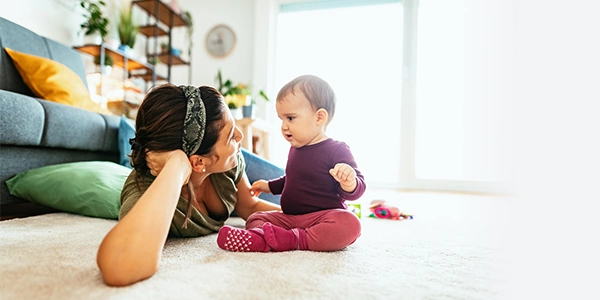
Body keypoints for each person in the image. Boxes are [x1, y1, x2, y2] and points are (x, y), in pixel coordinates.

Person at [96, 83, 284, 286]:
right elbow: (119, 267)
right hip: (190, 167)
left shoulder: (230, 161)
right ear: (197, 162)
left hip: (221, 163)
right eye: (231, 136)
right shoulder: (144, 188)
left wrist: (311, 220)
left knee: (292, 184)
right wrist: (176, 165)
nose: (241, 136)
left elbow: (251, 206)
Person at [216, 74, 366, 253]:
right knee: (255, 218)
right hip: (290, 218)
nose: (284, 126)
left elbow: (359, 187)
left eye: (290, 118)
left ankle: (294, 239)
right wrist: (269, 186)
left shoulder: (337, 149)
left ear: (319, 118)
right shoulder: (296, 148)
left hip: (322, 217)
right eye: (281, 119)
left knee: (351, 224)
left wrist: (349, 182)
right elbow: (292, 179)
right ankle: (261, 239)